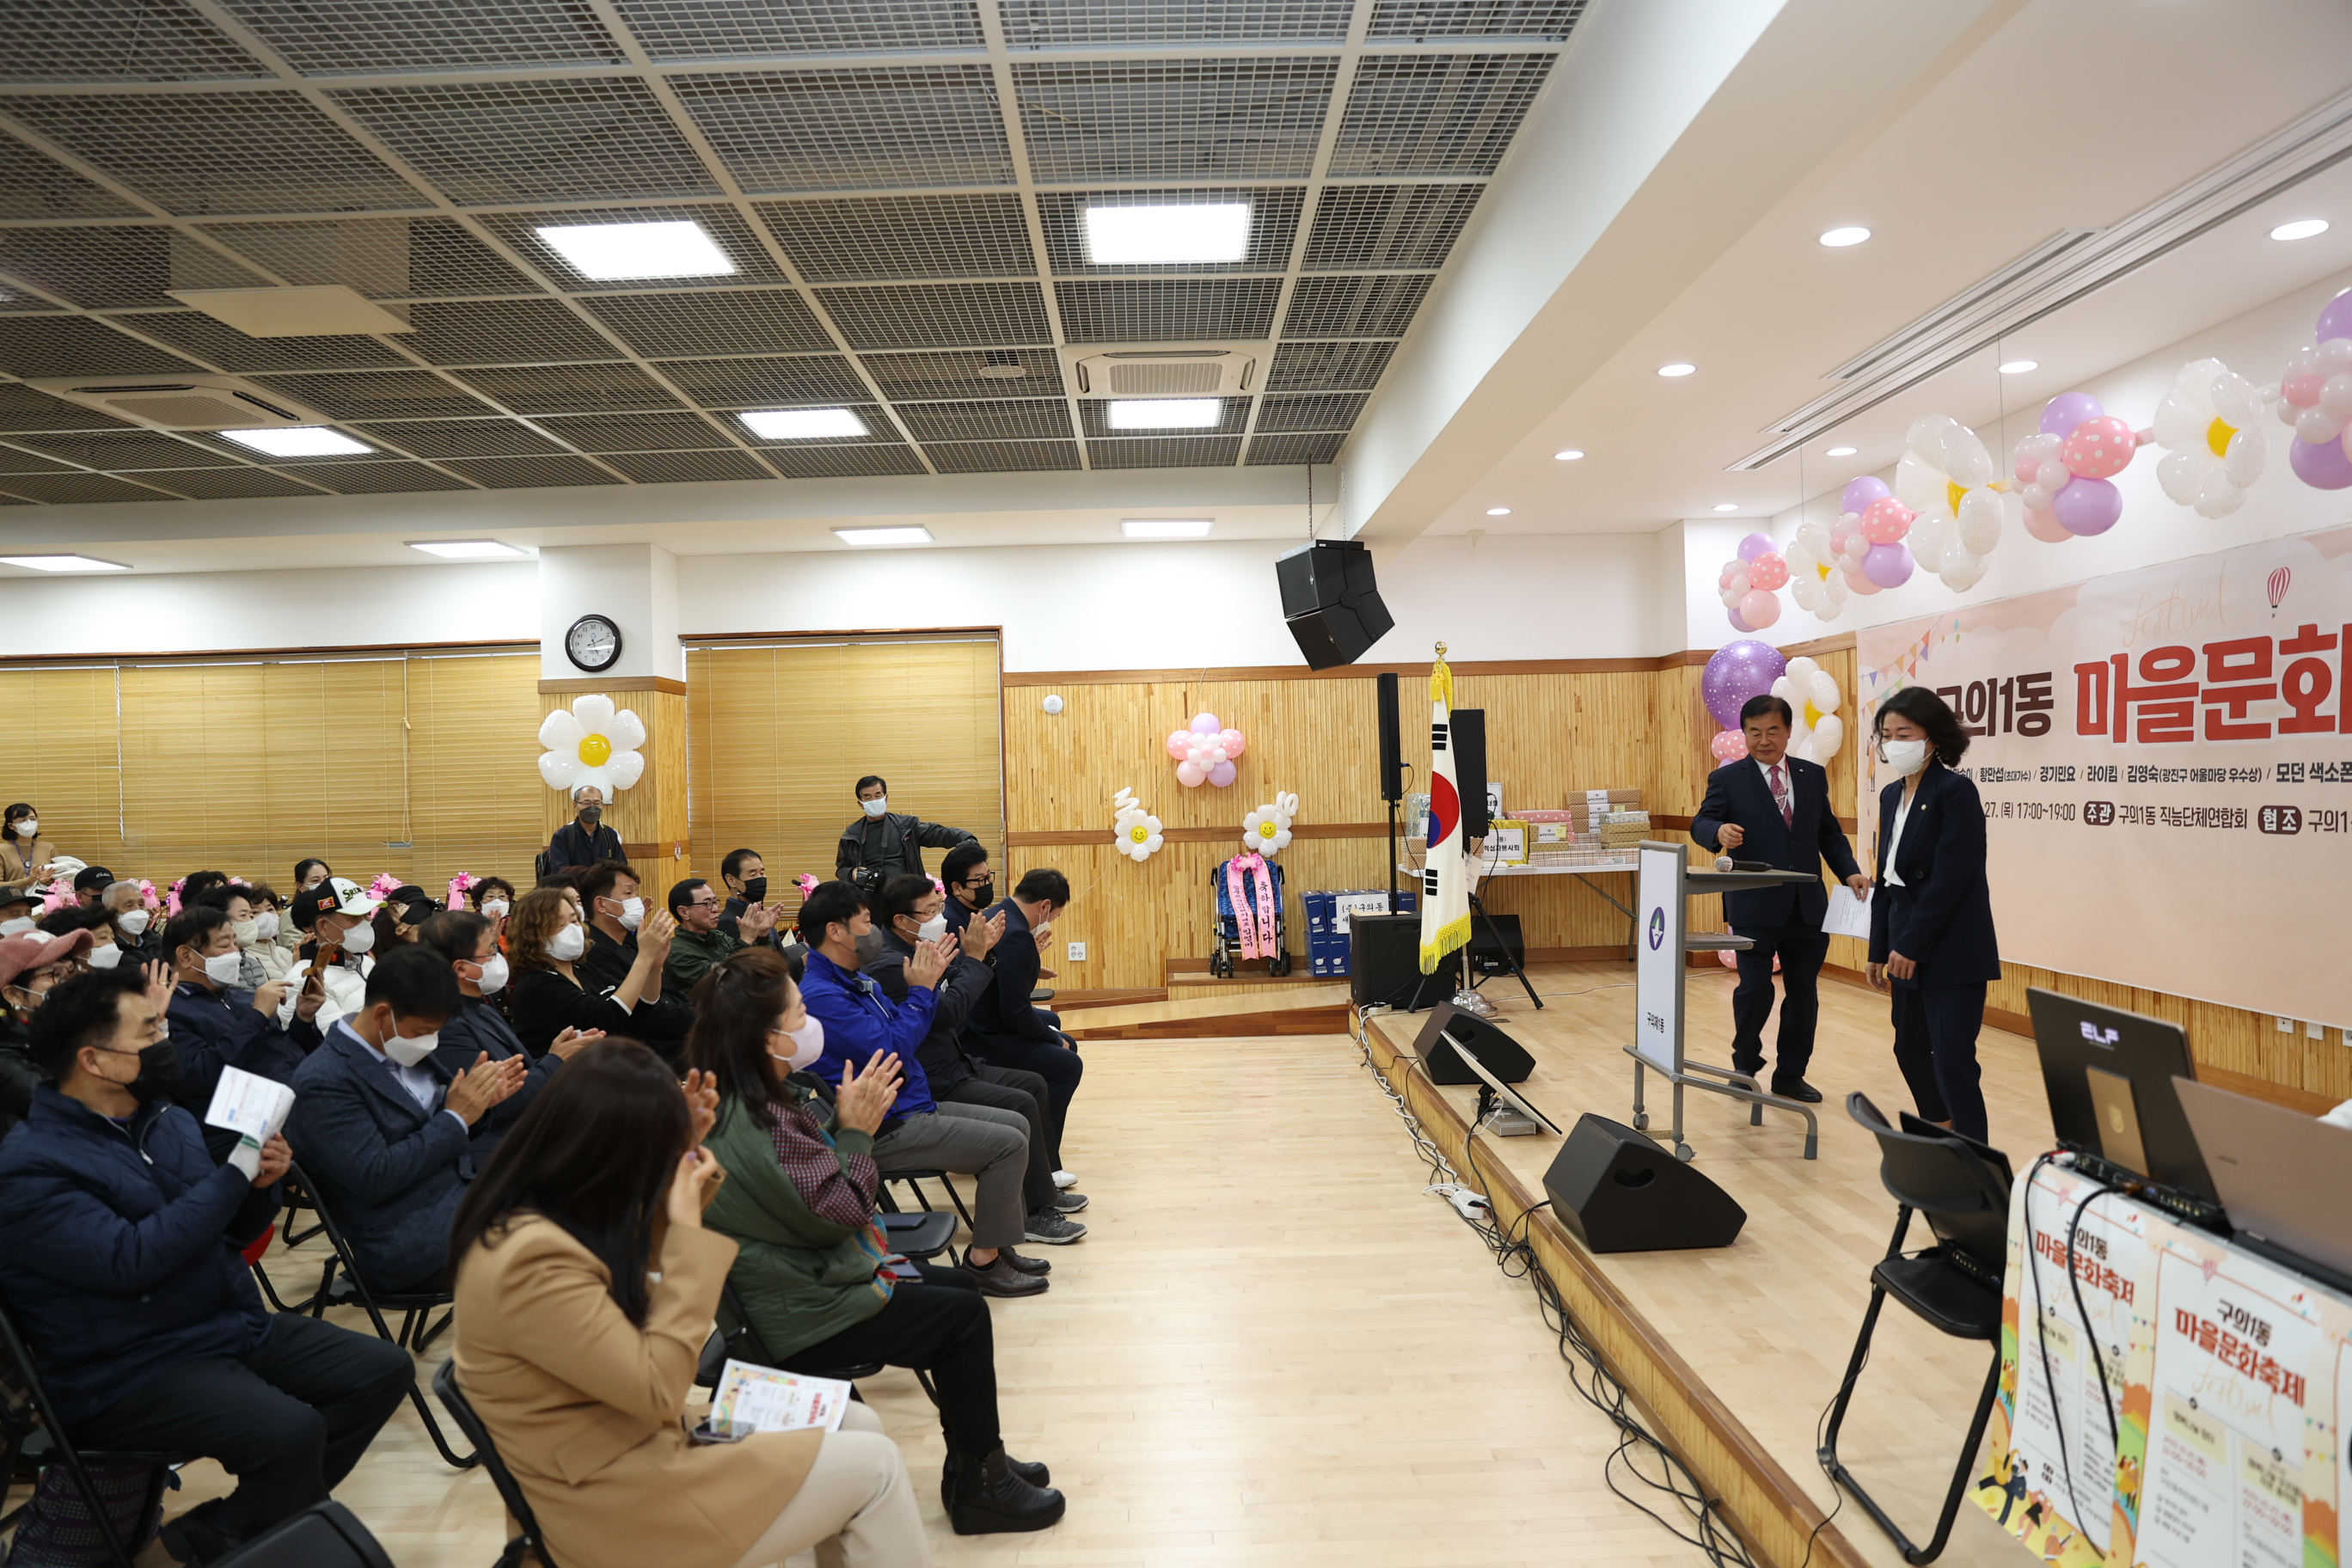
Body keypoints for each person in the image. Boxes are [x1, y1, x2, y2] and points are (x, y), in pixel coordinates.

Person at [450, 1038, 932, 1568]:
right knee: (876, 1466)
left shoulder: (547, 1212)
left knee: (852, 1424)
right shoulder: (529, 1261)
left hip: (631, 1447)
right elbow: (658, 1386)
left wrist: (688, 1160)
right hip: (611, 1499)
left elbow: (644, 1279)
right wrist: (685, 1230)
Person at [0, 966, 413, 1567]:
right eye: (149, 1034)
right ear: (93, 1060)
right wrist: (232, 1175)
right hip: (125, 1368)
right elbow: (132, 1262)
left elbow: (228, 1231)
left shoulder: (162, 1119)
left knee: (379, 1369)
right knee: (289, 1434)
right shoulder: (30, 1165)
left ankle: (211, 1538)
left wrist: (258, 1186)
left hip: (218, 1322)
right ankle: (253, 1543)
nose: (164, 1046)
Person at [689, 951, 1066, 1534]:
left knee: (955, 1287)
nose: (810, 1022)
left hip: (801, 1279)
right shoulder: (759, 1119)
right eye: (798, 1015)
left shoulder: (749, 1098)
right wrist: (858, 1131)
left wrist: (844, 1126)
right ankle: (981, 1484)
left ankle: (977, 1458)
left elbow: (813, 1199)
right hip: (799, 1312)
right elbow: (842, 1211)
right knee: (963, 1314)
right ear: (766, 1041)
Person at [797, 881, 1056, 1295]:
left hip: (911, 1103)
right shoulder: (825, 995)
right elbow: (897, 1048)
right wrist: (922, 989)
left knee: (1017, 1125)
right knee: (1007, 1144)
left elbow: (909, 1028)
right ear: (836, 931)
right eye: (865, 921)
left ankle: (999, 1245)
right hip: (884, 1126)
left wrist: (930, 983)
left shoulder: (854, 981)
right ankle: (983, 1262)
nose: (872, 930)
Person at [286, 946, 527, 1294]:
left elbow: (441, 1124)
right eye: (424, 1030)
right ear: (383, 1014)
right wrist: (456, 1117)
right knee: (558, 1256)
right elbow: (376, 1176)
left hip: (461, 1203)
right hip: (409, 1241)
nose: (430, 1041)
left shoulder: (398, 1043)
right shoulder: (324, 1081)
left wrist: (479, 1105)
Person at [867, 873, 1082, 1238]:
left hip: (954, 1060)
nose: (939, 916)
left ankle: (1041, 1193)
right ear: (901, 921)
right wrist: (979, 958)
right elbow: (951, 1011)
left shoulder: (917, 946)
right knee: (1024, 1097)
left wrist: (999, 961)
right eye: (930, 910)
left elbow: (958, 978)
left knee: (1032, 1085)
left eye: (938, 907)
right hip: (934, 1076)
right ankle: (1033, 1213)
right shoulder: (893, 966)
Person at [1689, 693, 1871, 1105]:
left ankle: (1791, 1074)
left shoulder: (1810, 775)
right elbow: (1702, 822)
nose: (1764, 740)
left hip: (1807, 906)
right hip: (1753, 905)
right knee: (1755, 990)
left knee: (1803, 994)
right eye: (1755, 732)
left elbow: (1828, 833)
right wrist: (1717, 834)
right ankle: (1744, 1069)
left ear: (1788, 732)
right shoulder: (1728, 779)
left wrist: (1850, 871)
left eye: (1773, 731)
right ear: (1745, 734)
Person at [1867, 686, 2000, 1143]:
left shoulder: (1955, 791)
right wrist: (1879, 947)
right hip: (1905, 940)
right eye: (1886, 734)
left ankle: (1976, 1156)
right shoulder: (1889, 796)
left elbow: (1950, 880)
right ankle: (1942, 1130)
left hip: (1951, 946)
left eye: (1904, 732)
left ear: (1934, 737)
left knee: (1952, 1059)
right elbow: (1886, 878)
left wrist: (1910, 945)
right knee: (1909, 1048)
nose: (1893, 742)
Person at [419, 909, 597, 1158]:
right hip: (497, 1155)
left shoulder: (481, 1008)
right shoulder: (446, 1025)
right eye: (491, 950)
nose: (498, 956)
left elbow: (520, 1073)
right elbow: (497, 1102)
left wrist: (554, 1054)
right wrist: (556, 1060)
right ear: (460, 968)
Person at [163, 904, 326, 1161]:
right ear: (186, 955)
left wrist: (304, 1019)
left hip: (297, 1103)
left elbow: (286, 1051)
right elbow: (199, 1076)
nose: (235, 953)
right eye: (224, 944)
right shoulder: (169, 1010)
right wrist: (257, 1017)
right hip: (241, 1129)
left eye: (236, 944)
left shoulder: (241, 997)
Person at [964, 868, 1084, 1188]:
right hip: (986, 1036)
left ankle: (1041, 1143)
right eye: (1055, 915)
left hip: (976, 1021)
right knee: (1068, 1062)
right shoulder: (1017, 935)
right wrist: (1053, 1041)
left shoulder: (995, 914)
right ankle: (1046, 1164)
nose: (1051, 921)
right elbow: (1015, 1012)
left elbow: (1004, 978)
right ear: (1045, 906)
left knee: (1058, 1032)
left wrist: (1031, 966)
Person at [507, 885, 670, 1057]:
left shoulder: (583, 969)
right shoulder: (537, 984)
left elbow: (641, 1005)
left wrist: (654, 965)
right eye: (560, 924)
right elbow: (606, 1018)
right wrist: (644, 956)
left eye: (574, 921)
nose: (572, 929)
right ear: (533, 935)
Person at [577, 861, 690, 1063]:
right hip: (650, 1054)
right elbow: (643, 1014)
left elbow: (668, 993)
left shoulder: (630, 944)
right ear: (601, 904)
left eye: (636, 894)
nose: (636, 901)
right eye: (628, 894)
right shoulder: (592, 952)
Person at [835, 775, 977, 892]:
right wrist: (852, 873)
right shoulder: (851, 835)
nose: (874, 801)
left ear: (886, 798)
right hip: (870, 899)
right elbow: (842, 868)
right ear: (861, 804)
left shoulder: (906, 825)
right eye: (868, 797)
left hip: (909, 895)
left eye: (878, 796)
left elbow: (939, 834)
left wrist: (965, 838)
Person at [283, 877, 383, 1035]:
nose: (365, 923)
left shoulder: (365, 964)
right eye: (354, 918)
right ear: (323, 926)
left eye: (366, 915)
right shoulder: (305, 980)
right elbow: (341, 1042)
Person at [667, 875, 780, 993]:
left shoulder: (718, 936)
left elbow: (762, 967)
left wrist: (762, 935)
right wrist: (746, 939)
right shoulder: (676, 952)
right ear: (684, 912)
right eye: (707, 904)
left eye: (715, 902)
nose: (715, 909)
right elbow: (721, 981)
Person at [547, 784, 626, 876]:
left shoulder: (609, 834)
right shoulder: (563, 836)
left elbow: (622, 868)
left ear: (602, 805)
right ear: (575, 806)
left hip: (604, 889)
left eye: (597, 803)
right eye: (586, 803)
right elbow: (560, 872)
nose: (592, 808)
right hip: (575, 889)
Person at [718, 848, 780, 946]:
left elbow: (781, 958)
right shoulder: (728, 922)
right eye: (753, 874)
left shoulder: (761, 915)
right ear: (731, 881)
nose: (760, 878)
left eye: (762, 873)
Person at [239, 882, 295, 986]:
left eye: (270, 909)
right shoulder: (244, 959)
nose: (266, 916)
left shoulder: (286, 954)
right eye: (255, 912)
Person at [0, 802, 57, 898]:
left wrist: (45, 880)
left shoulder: (48, 848)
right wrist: (28, 881)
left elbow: (61, 882)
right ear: (11, 826)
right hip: (11, 903)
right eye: (23, 820)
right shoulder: (2, 850)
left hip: (43, 902)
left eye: (33, 819)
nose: (29, 823)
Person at [938, 843, 994, 939]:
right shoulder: (950, 923)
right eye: (980, 880)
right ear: (957, 888)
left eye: (988, 876)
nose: (987, 883)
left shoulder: (970, 913)